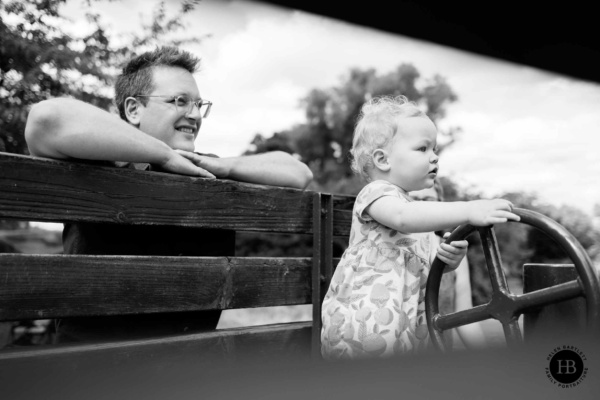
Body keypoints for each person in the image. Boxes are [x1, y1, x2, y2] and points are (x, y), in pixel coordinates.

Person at [24, 46, 313, 343]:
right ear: (134, 109)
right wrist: (164, 155)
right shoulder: (100, 162)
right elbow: (45, 119)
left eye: (199, 104)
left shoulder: (204, 168)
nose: (195, 114)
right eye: (180, 101)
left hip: (185, 368)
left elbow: (298, 173)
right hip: (94, 370)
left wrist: (225, 165)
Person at [320, 95, 519, 360]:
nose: (435, 157)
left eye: (434, 149)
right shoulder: (377, 195)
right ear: (383, 160)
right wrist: (470, 209)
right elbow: (404, 216)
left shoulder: (421, 221)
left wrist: (449, 262)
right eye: (423, 149)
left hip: (405, 329)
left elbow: (423, 267)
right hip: (364, 326)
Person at [410, 182, 487, 351]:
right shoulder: (386, 248)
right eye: (414, 199)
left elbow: (464, 318)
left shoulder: (453, 252)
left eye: (429, 200)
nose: (422, 205)